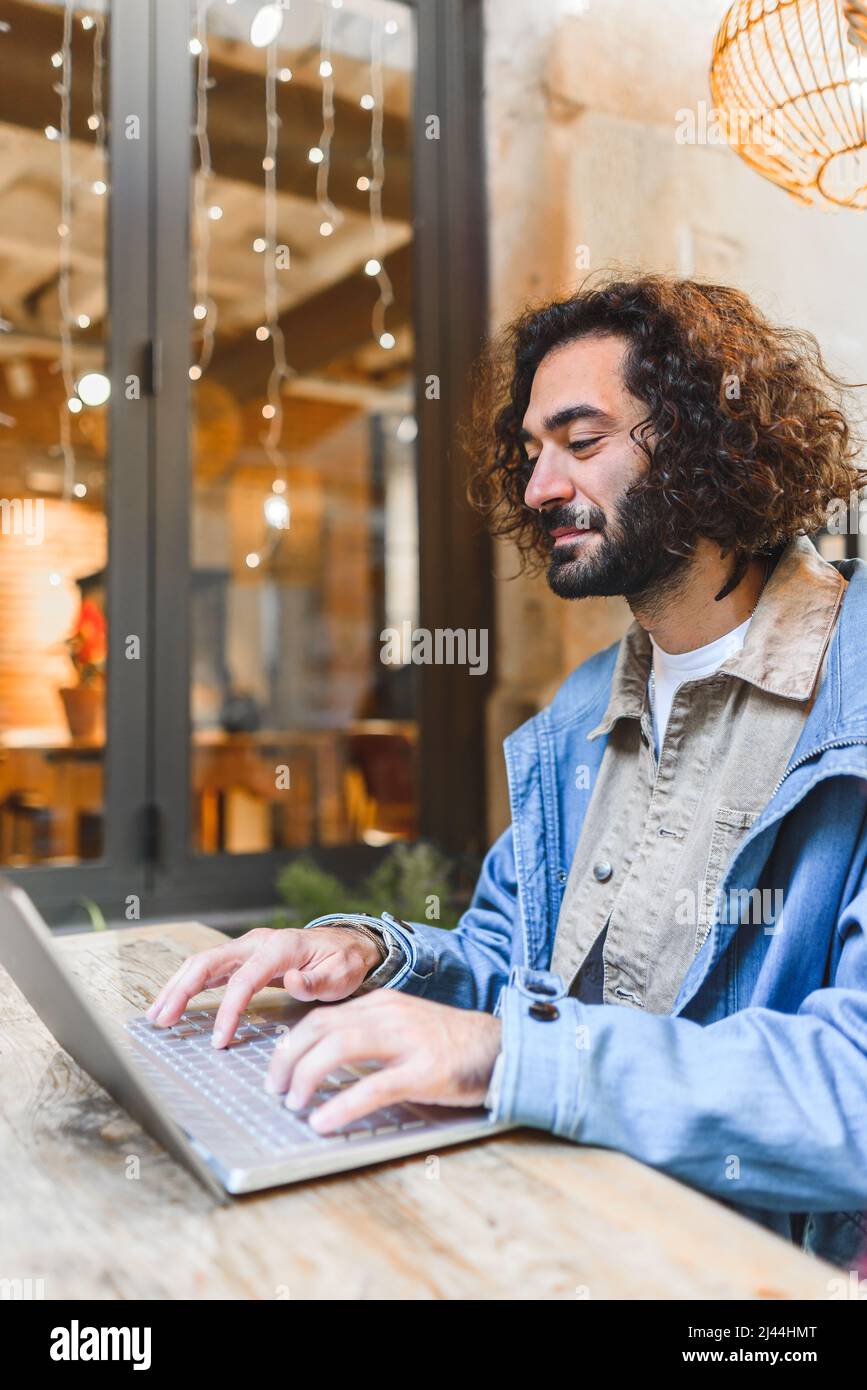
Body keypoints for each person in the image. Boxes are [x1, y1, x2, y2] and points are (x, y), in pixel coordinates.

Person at [148, 275, 867, 1267]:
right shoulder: (581, 709)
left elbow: (853, 1092)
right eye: (532, 452)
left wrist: (507, 1055)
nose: (537, 489)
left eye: (581, 441)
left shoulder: (853, 696)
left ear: (709, 445)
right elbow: (508, 961)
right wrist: (369, 953)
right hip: (552, 1222)